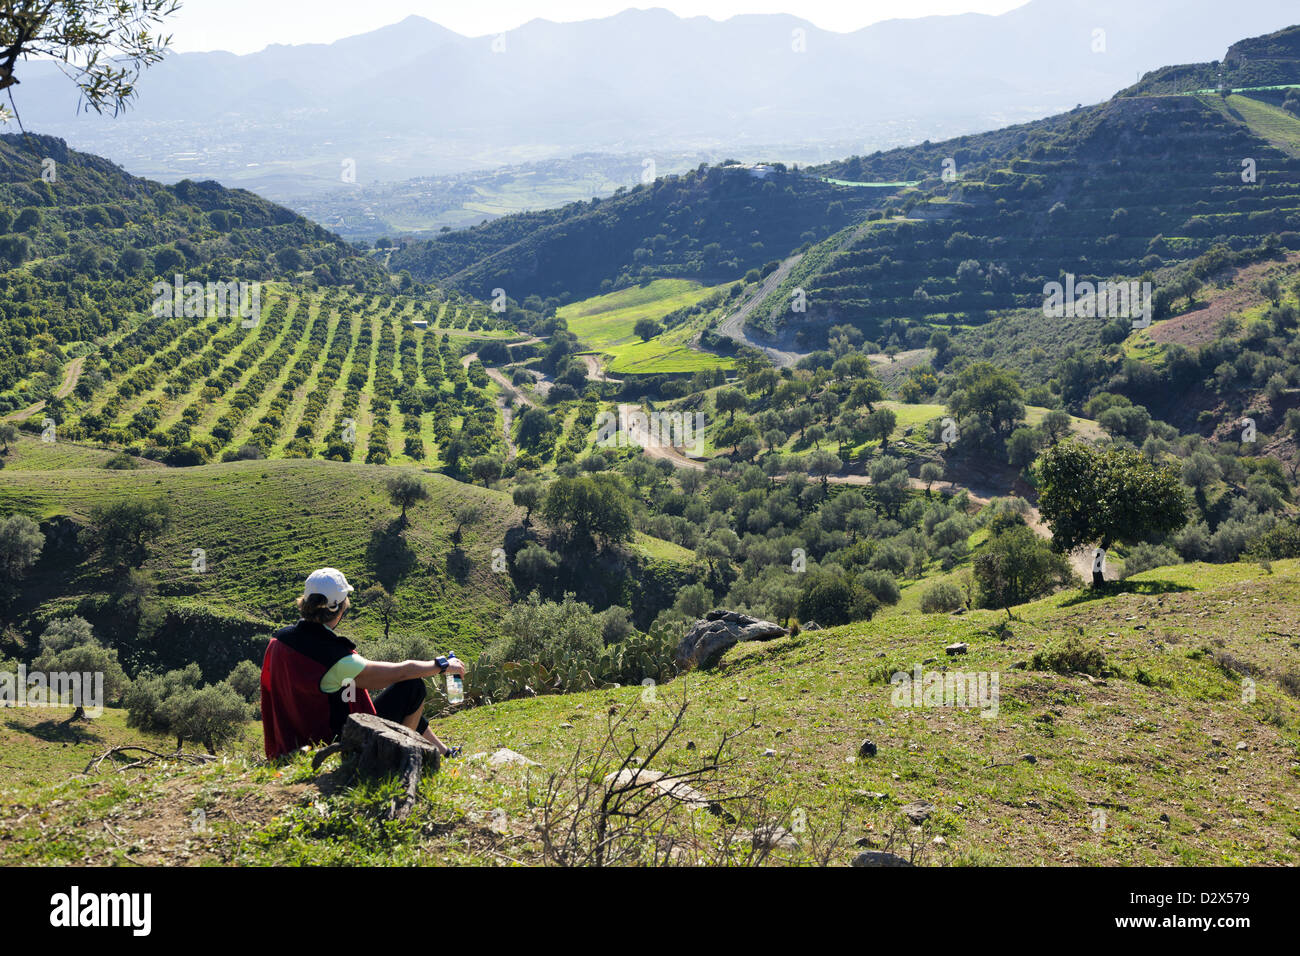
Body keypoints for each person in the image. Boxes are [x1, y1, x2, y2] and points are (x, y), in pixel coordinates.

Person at [260, 567, 464, 760]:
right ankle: (397, 756)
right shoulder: (335, 658)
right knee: (412, 687)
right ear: (340, 608)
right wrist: (442, 665)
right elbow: (402, 673)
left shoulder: (279, 640)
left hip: (295, 741)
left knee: (400, 702)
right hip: (339, 745)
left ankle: (444, 752)